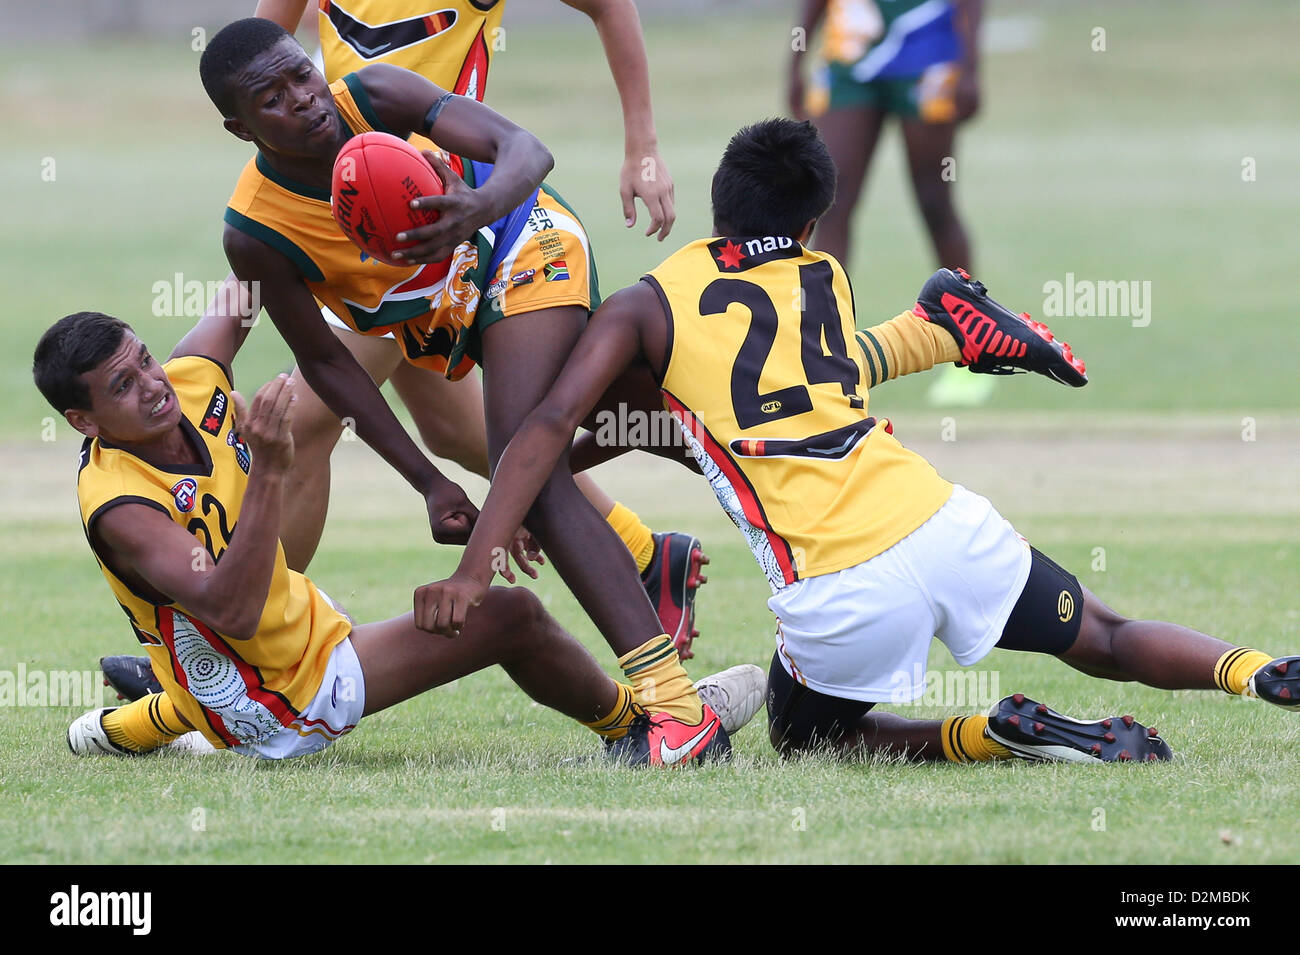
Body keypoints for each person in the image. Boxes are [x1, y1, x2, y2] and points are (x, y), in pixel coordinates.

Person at [413, 118, 1300, 764]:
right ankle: (1261, 671)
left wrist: (481, 552)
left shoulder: (650, 299)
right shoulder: (823, 276)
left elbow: (547, 422)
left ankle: (989, 736)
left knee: (807, 739)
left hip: (836, 593)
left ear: (719, 203)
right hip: (946, 524)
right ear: (808, 227)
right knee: (1107, 635)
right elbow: (817, 373)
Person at [197, 17, 727, 762]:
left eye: (300, 74)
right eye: (273, 97)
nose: (304, 98)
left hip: (520, 240)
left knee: (528, 464)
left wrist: (476, 208)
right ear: (237, 126)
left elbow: (527, 152)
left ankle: (677, 715)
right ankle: (763, 440)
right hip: (451, 319)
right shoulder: (254, 232)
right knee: (626, 421)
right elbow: (326, 364)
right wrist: (427, 483)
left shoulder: (372, 95)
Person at [34, 302, 761, 764]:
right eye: (123, 386)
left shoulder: (191, 381)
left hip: (250, 654)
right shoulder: (118, 503)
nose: (154, 385)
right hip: (279, 693)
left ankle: (131, 717)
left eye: (145, 362)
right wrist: (270, 471)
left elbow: (245, 270)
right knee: (512, 617)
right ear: (85, 421)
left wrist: (293, 153)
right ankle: (641, 729)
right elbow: (233, 610)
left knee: (392, 331)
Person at [790, 0, 992, 406]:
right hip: (852, 45)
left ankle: (969, 350)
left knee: (934, 202)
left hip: (927, 43)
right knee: (828, 206)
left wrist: (970, 65)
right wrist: (795, 59)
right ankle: (817, 357)